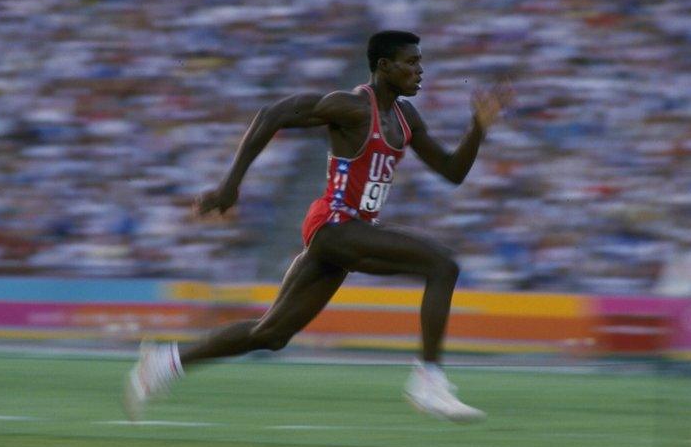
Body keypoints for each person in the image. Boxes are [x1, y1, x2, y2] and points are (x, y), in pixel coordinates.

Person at [124, 30, 514, 422]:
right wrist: (230, 185)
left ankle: (164, 361)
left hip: (347, 235)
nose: (420, 70)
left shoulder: (406, 117)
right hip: (335, 225)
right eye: (411, 62)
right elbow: (271, 114)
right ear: (383, 66)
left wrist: (477, 127)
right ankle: (428, 381)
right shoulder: (353, 107)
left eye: (420, 61)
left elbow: (452, 171)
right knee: (442, 264)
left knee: (271, 334)